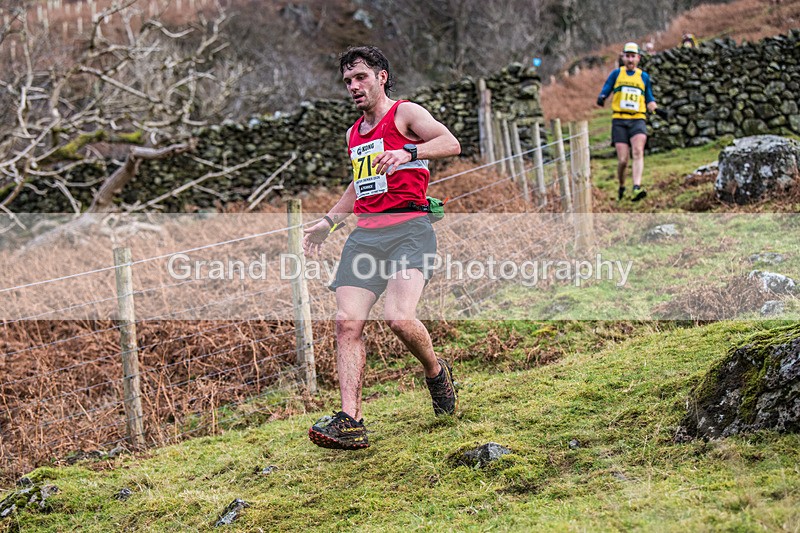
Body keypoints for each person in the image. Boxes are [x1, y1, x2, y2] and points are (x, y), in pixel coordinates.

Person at [302, 46, 461, 450]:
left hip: (410, 228)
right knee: (345, 322)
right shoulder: (354, 133)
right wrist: (328, 222)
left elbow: (450, 143)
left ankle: (436, 372)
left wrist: (408, 150)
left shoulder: (406, 113)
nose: (354, 87)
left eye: (361, 78)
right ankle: (351, 420)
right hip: (366, 235)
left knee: (399, 318)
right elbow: (359, 183)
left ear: (381, 77)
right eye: (348, 82)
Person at [596, 42, 658, 202]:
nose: (630, 60)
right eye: (627, 56)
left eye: (633, 56)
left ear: (638, 58)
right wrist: (602, 98)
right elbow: (606, 90)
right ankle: (622, 185)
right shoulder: (616, 74)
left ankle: (636, 187)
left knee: (638, 151)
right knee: (623, 160)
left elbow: (649, 97)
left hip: (637, 119)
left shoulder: (643, 77)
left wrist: (655, 107)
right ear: (623, 57)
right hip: (620, 120)